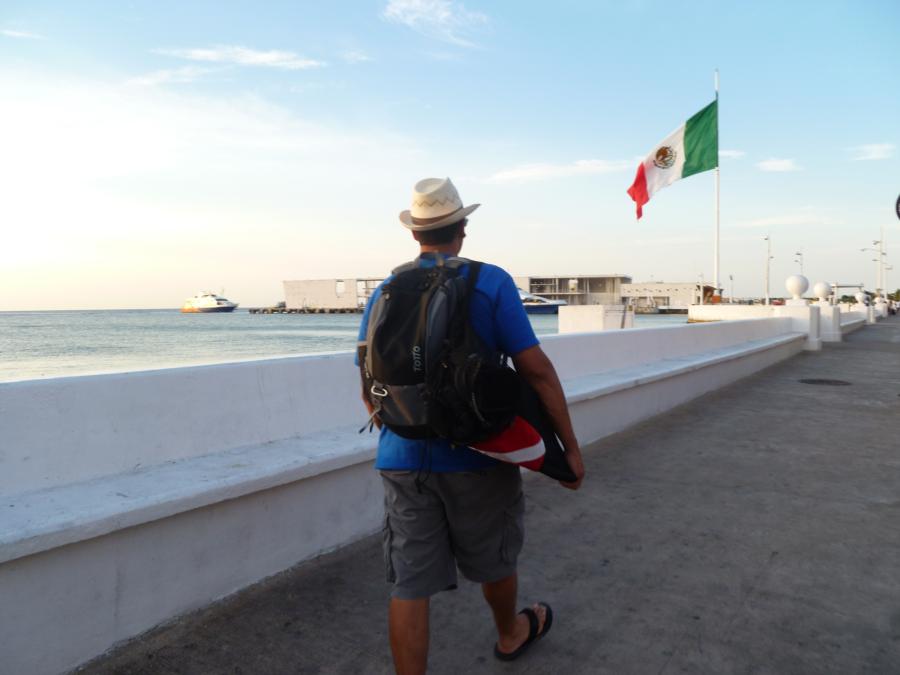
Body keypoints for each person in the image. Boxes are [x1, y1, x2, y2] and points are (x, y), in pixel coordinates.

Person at [358, 177, 584, 675]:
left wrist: (406, 429)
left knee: (410, 585)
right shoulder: (491, 281)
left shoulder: (385, 291)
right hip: (480, 455)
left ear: (416, 234)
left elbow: (368, 380)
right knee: (495, 559)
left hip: (401, 456)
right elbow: (536, 370)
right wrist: (567, 448)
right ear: (462, 227)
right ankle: (510, 635)